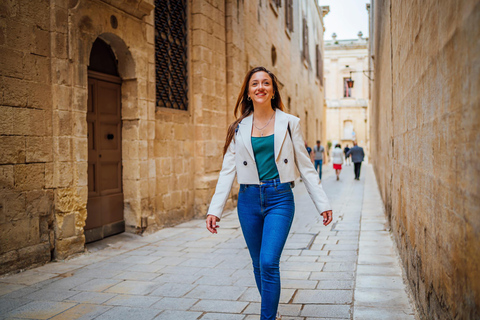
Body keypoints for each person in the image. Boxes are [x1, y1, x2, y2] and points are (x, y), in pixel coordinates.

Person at [205, 67, 333, 320]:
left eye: (266, 83)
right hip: (248, 199)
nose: (260, 87)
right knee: (256, 263)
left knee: (268, 262)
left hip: (280, 198)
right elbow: (227, 171)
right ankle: (272, 313)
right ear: (248, 92)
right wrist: (214, 210)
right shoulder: (238, 128)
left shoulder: (289, 123)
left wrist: (323, 203)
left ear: (273, 91)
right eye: (255, 84)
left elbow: (306, 167)